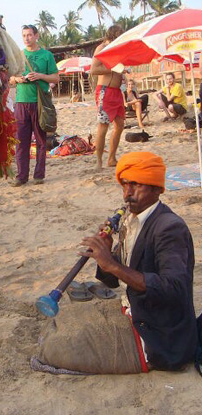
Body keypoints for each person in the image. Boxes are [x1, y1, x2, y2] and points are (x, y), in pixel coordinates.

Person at [80, 151, 198, 372]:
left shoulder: (169, 228)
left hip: (159, 337)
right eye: (124, 185)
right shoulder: (130, 219)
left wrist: (113, 265)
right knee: (64, 324)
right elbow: (115, 283)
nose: (127, 194)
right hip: (134, 311)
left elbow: (173, 288)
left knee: (63, 346)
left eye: (135, 185)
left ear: (155, 188)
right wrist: (107, 256)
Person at [9, 24, 59, 186]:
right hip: (21, 103)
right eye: (24, 35)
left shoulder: (46, 55)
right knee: (21, 141)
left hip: (39, 103)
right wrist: (18, 79)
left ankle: (39, 175)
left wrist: (39, 76)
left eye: (29, 35)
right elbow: (9, 79)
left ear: (36, 36)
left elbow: (55, 78)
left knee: (41, 141)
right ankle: (21, 176)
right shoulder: (17, 55)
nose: (26, 38)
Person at [90, 25, 125, 171]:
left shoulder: (118, 49)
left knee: (120, 125)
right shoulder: (102, 48)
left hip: (116, 92)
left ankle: (111, 158)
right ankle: (98, 161)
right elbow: (93, 70)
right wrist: (113, 68)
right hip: (105, 91)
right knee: (103, 127)